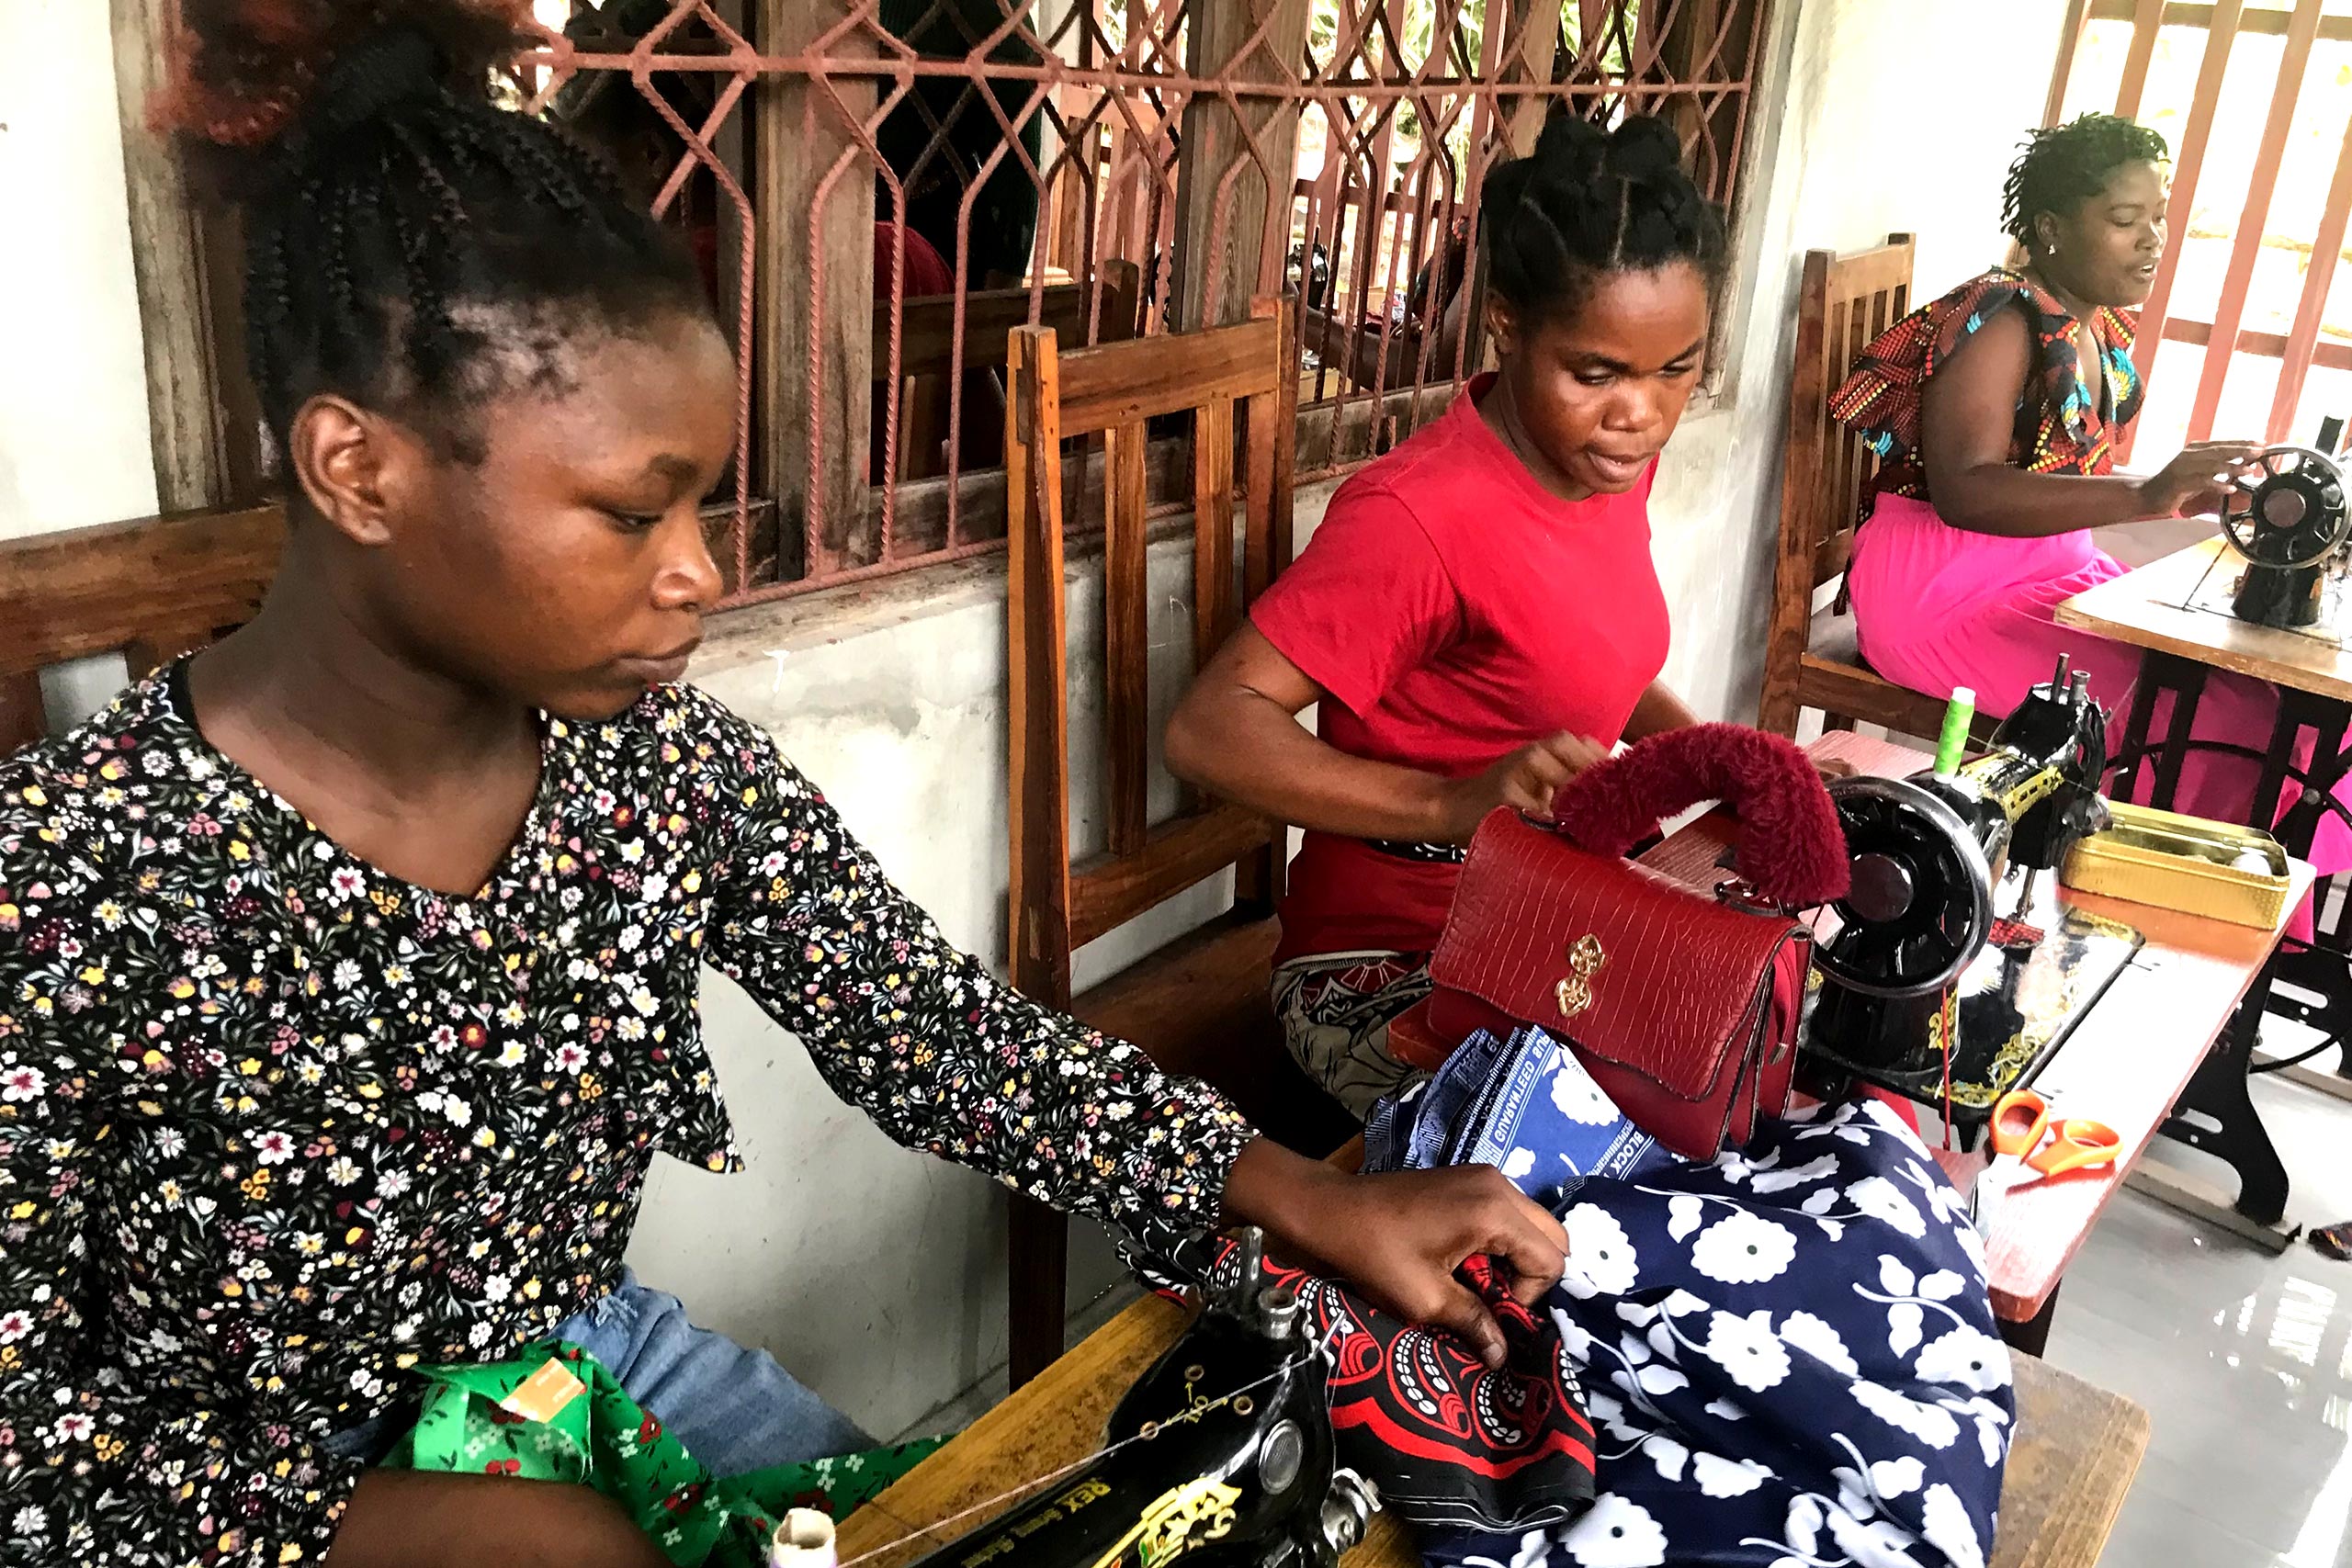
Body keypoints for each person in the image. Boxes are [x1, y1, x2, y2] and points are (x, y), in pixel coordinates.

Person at [0, 6, 1571, 1565]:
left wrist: (1300, 1190)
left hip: (584, 1370)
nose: (698, 574)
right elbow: (28, 1452)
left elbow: (931, 1030)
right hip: (243, 1497)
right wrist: (445, 1530)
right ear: (359, 470)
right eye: (632, 513)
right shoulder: (72, 878)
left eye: (702, 503)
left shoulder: (654, 765)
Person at [1164, 114, 1720, 1117]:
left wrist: (1729, 767)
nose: (1642, 412)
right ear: (1506, 322)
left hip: (1549, 920)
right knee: (1612, 1153)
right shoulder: (1418, 518)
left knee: (1759, 1052)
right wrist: (1448, 805)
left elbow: (1590, 666)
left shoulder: (1600, 465)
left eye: (1675, 368)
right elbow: (1209, 728)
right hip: (1390, 959)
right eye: (1596, 372)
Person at [1833, 112, 2352, 883]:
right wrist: (2147, 491)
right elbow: (1965, 493)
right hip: (1942, 591)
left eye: (2159, 217)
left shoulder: (2091, 324)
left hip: (2039, 569)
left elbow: (2049, 478)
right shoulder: (2003, 320)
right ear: (2049, 227)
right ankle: (2130, 900)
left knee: (2263, 694)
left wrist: (2184, 497)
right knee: (2213, 722)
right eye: (2124, 220)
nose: (2152, 238)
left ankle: (2227, 906)